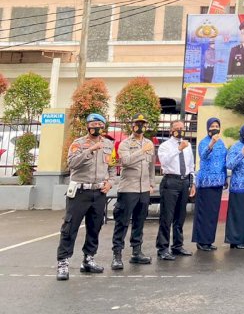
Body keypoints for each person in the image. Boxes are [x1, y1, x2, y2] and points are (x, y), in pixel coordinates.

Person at [56, 112, 114, 281]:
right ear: (88, 126)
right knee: (70, 227)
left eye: (100, 125)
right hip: (80, 192)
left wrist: (110, 182)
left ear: (103, 127)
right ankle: (63, 262)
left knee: (95, 227)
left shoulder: (108, 144)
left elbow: (111, 166)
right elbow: (72, 164)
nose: (97, 128)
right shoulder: (78, 144)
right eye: (93, 125)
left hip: (99, 192)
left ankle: (89, 259)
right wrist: (90, 150)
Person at [112, 114, 155, 270]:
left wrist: (151, 183)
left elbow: (151, 166)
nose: (141, 126)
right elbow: (125, 162)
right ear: (133, 126)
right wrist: (142, 151)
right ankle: (117, 255)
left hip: (143, 189)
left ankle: (136, 252)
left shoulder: (149, 143)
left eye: (143, 124)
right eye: (138, 124)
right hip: (128, 189)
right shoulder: (125, 144)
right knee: (122, 222)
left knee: (139, 221)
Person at [156, 120, 196, 261]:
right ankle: (163, 248)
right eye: (177, 128)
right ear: (171, 130)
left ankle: (177, 246)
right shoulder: (165, 146)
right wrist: (178, 149)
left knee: (180, 216)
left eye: (182, 128)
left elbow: (190, 165)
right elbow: (164, 162)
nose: (180, 130)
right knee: (167, 216)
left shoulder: (188, 145)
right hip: (170, 180)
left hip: (184, 180)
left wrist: (192, 183)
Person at [193, 117, 227, 251]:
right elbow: (203, 155)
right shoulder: (204, 142)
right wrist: (211, 144)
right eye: (212, 126)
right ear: (208, 128)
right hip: (205, 183)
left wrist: (224, 179)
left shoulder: (222, 143)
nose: (214, 128)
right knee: (204, 213)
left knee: (213, 213)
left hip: (217, 183)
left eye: (217, 126)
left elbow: (224, 162)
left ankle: (208, 240)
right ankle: (201, 241)